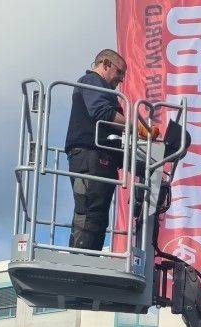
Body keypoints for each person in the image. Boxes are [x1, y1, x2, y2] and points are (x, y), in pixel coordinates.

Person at [65, 49, 127, 252]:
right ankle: (80, 260)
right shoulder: (91, 81)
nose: (121, 79)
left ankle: (88, 257)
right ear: (106, 64)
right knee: (90, 211)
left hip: (100, 157)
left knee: (98, 214)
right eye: (120, 72)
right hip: (89, 155)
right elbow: (102, 112)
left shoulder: (104, 89)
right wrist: (134, 125)